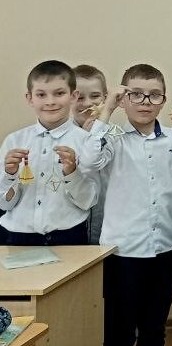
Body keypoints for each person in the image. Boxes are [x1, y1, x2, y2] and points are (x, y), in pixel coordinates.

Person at [89, 64, 172, 346]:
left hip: (164, 248)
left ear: (163, 101)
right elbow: (89, 162)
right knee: (119, 332)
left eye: (154, 95)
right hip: (122, 252)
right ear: (123, 99)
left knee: (154, 330)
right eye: (136, 94)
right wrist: (106, 111)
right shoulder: (112, 138)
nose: (145, 102)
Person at [1, 60, 99, 245]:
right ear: (30, 98)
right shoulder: (14, 141)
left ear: (73, 96)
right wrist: (10, 174)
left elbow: (88, 202)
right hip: (17, 238)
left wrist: (72, 173)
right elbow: (3, 203)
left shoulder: (86, 142)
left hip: (69, 237)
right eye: (41, 94)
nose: (50, 101)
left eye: (59, 93)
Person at [72, 63, 109, 244]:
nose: (87, 103)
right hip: (71, 232)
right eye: (79, 97)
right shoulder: (61, 138)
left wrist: (95, 135)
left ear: (105, 98)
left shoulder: (116, 137)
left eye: (95, 96)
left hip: (109, 231)